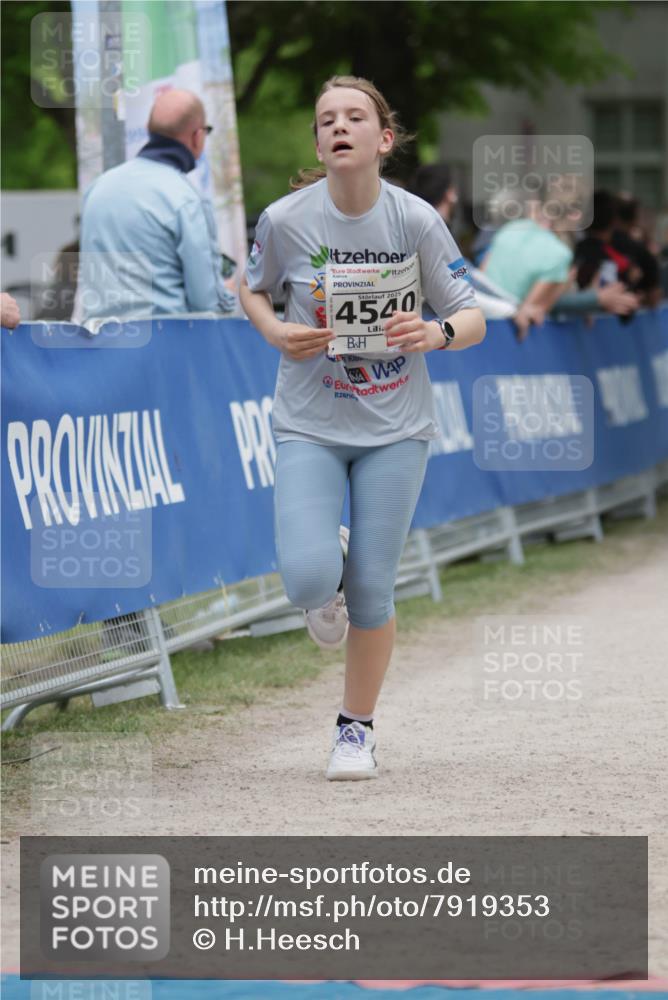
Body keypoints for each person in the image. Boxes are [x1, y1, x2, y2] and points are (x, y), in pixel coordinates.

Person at [239, 76, 485, 781]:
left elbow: (473, 316)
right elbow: (250, 285)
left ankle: (355, 730)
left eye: (354, 117)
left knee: (374, 592)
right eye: (326, 120)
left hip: (395, 427)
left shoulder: (414, 221)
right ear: (318, 142)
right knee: (309, 579)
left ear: (383, 139)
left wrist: (433, 333)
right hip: (310, 424)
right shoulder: (284, 220)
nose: (338, 127)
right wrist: (276, 329)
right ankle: (332, 562)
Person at [76, 89, 235, 328]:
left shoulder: (98, 188)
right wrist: (227, 294)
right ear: (197, 136)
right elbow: (206, 302)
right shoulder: (186, 199)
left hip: (98, 344)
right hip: (162, 347)